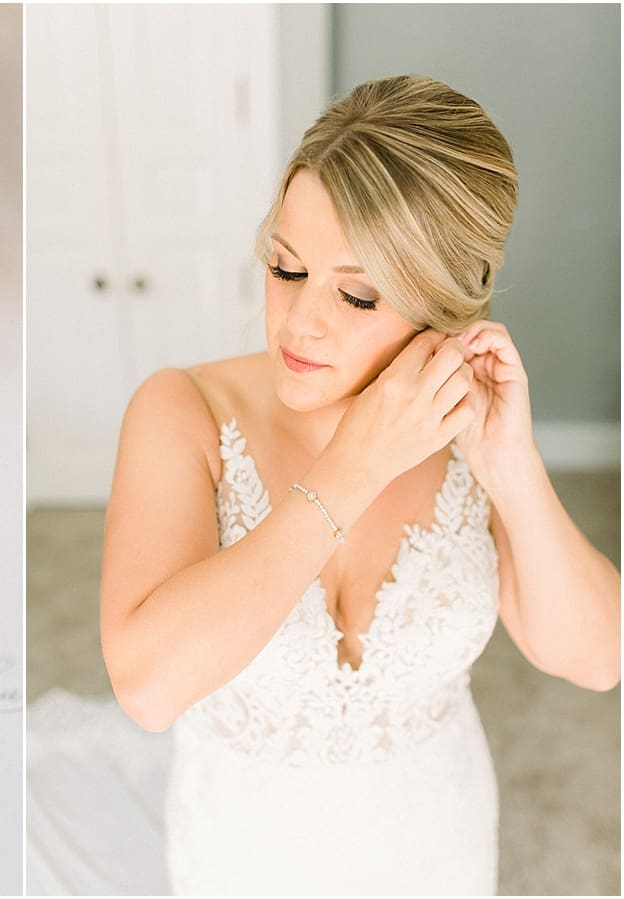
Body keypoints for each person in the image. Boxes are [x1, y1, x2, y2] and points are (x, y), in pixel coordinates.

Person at [98, 74, 621, 895]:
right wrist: (354, 469)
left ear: (445, 307)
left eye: (358, 295)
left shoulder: (468, 426)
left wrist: (512, 467)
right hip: (239, 861)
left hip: (436, 849)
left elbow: (595, 657)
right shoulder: (181, 411)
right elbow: (149, 689)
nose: (302, 322)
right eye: (285, 267)